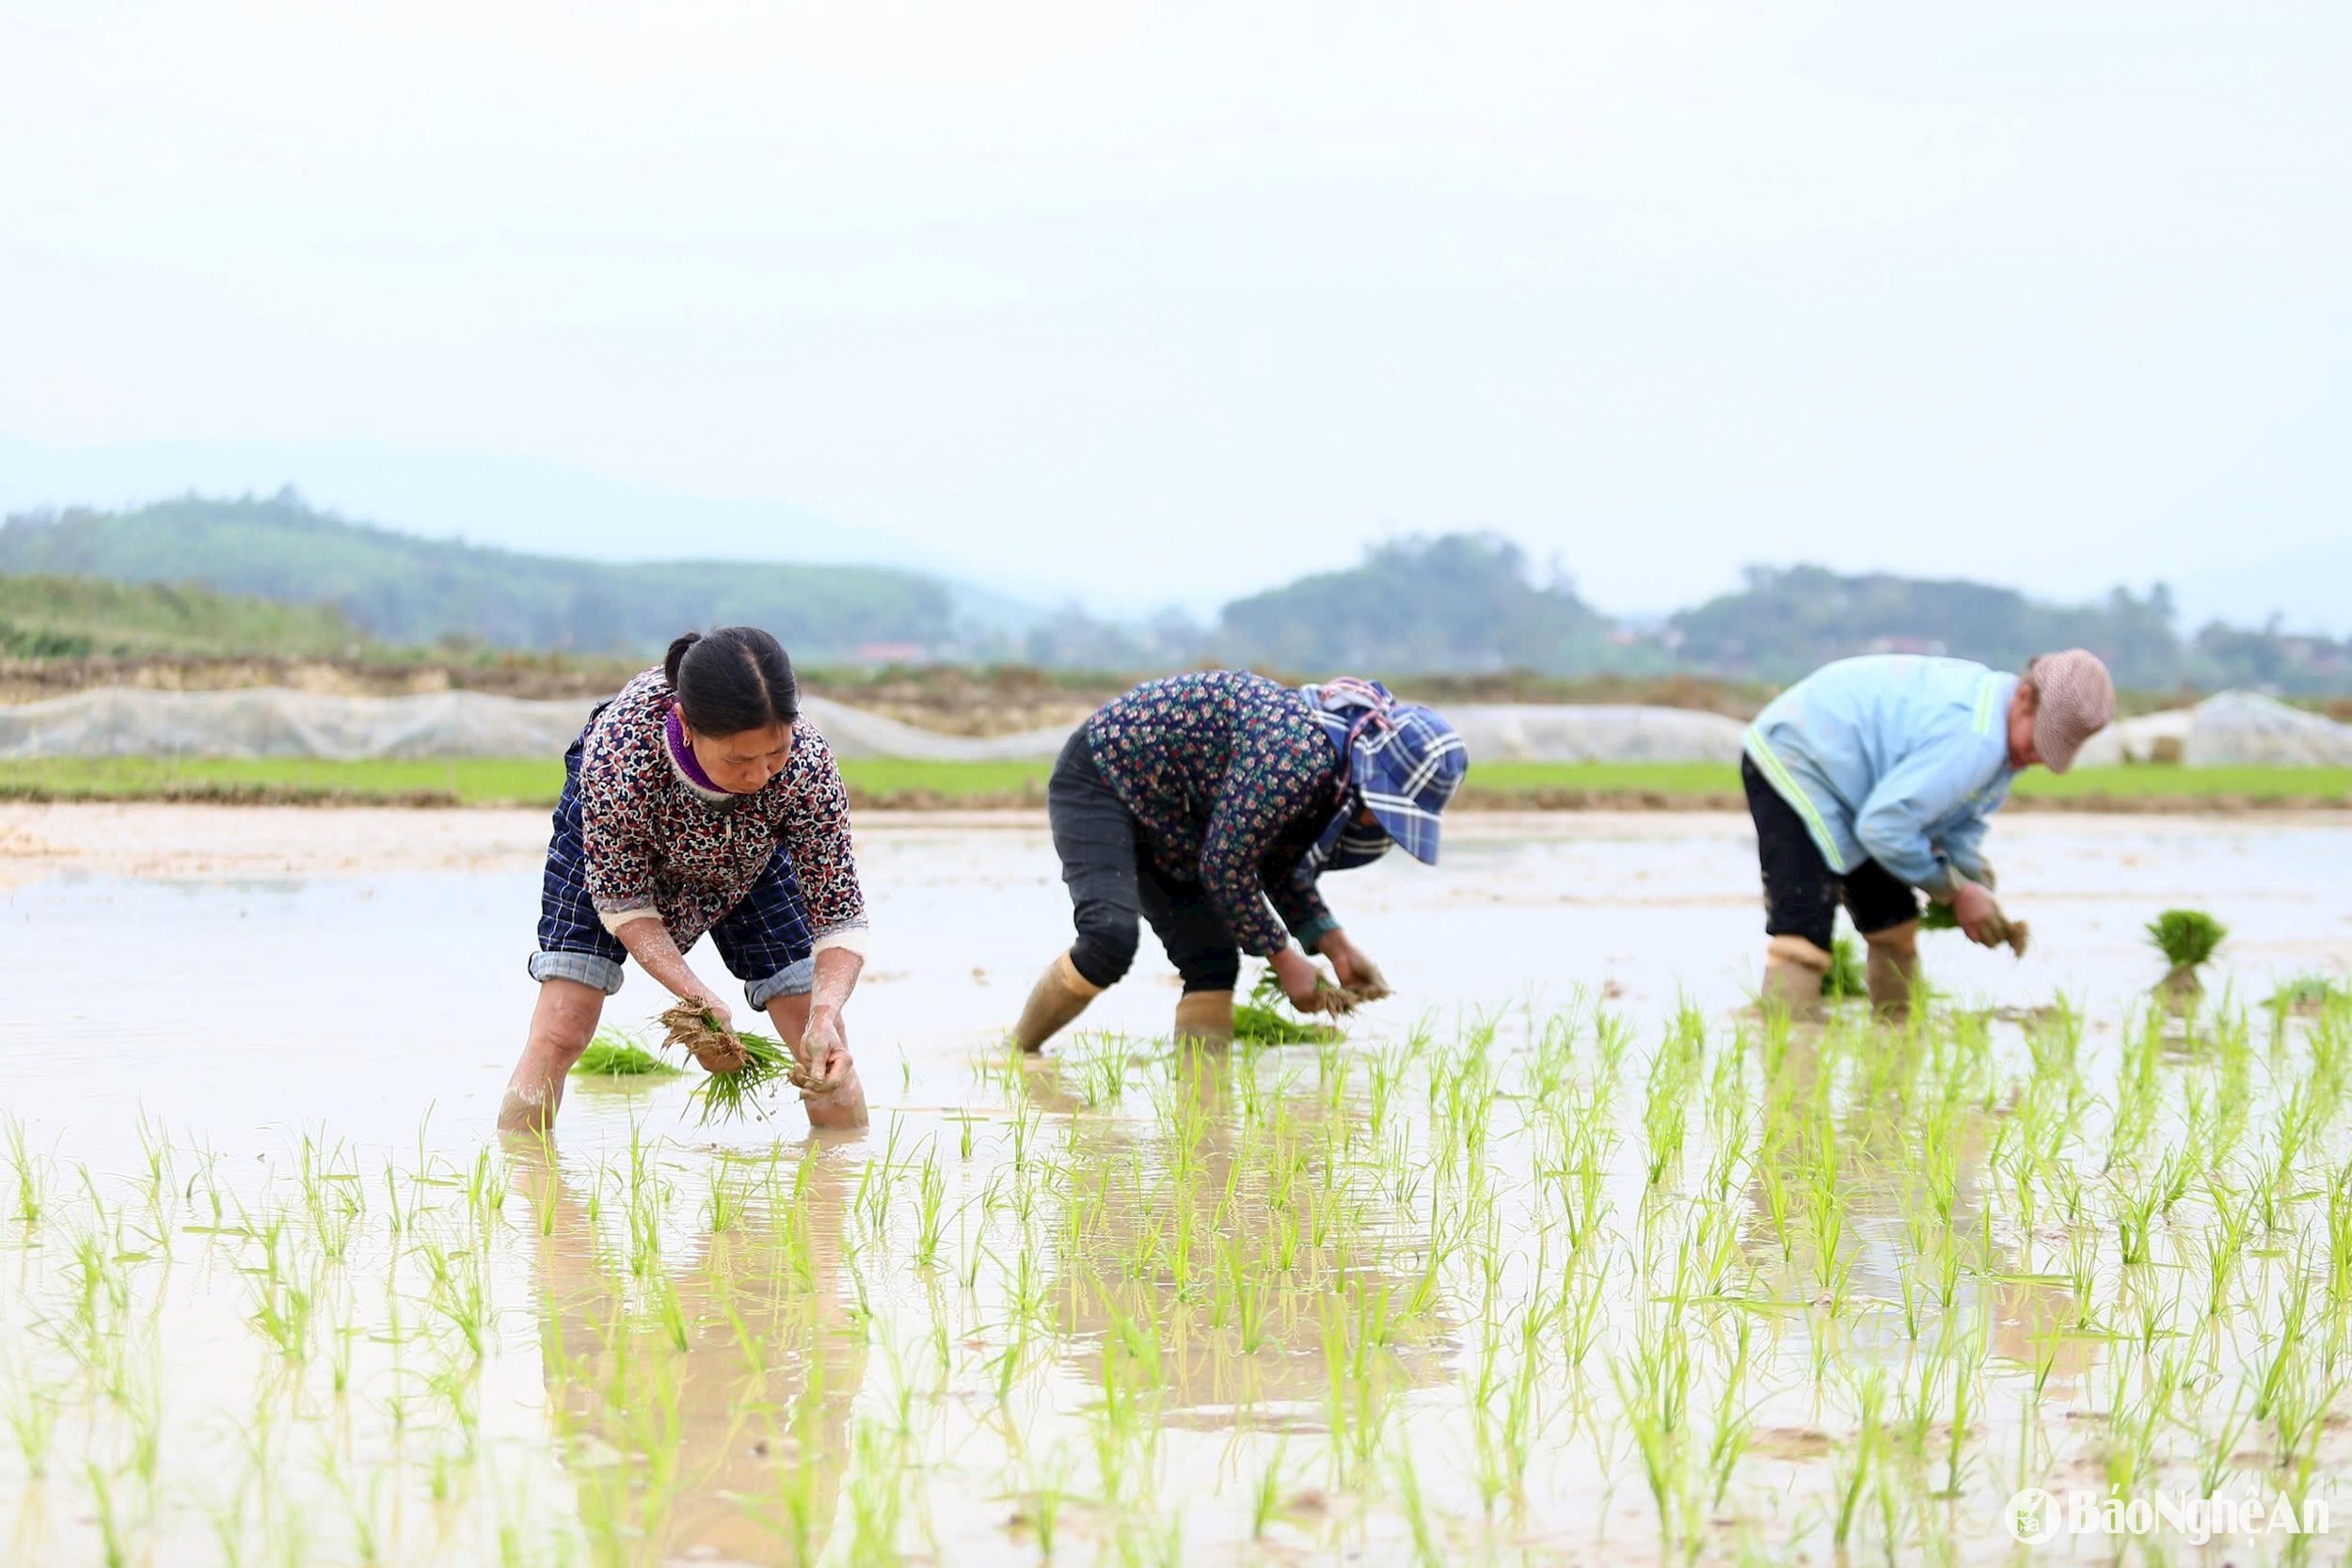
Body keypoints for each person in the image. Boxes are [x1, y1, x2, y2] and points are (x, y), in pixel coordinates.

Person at [498, 626, 870, 1132]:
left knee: (819, 1039)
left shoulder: (805, 765)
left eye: (773, 753)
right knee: (563, 1022)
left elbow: (839, 913)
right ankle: (527, 1185)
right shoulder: (621, 756)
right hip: (623, 852)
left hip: (750, 855)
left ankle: (837, 1187)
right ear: (686, 726)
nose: (761, 775)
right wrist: (700, 999)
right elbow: (625, 904)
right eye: (739, 760)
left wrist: (826, 1011)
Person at [1010, 671, 1468, 1051]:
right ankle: (1019, 1057)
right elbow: (1225, 865)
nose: (1379, 824)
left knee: (1212, 963)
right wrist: (1286, 961)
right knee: (1109, 938)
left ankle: (1204, 1119)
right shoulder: (1298, 755)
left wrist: (1334, 945)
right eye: (1385, 811)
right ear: (1371, 775)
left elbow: (1273, 863)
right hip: (1104, 777)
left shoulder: (1333, 775)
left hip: (1178, 819)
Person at [1741, 648, 2115, 1016]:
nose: (2037, 759)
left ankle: (1899, 1036)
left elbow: (1958, 820)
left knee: (1893, 919)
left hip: (1862, 788)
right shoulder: (1974, 736)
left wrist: (1974, 882)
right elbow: (1884, 827)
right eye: (2039, 743)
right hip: (1797, 756)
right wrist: (1954, 889)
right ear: (2023, 697)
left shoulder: (2001, 740)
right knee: (1804, 928)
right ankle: (1786, 1045)